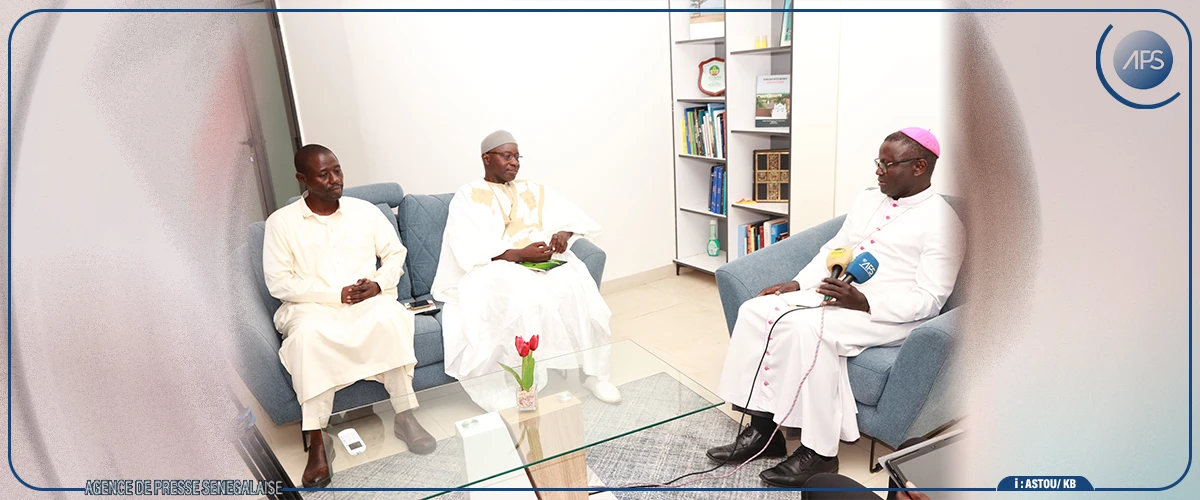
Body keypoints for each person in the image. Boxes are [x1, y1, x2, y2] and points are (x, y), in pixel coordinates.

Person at [707, 128, 965, 487]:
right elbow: (837, 246)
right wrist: (798, 283)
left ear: (919, 166)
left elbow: (930, 299)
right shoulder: (868, 199)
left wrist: (864, 301)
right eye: (878, 162)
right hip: (839, 294)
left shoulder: (944, 223)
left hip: (890, 315)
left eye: (887, 164)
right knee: (756, 310)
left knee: (807, 330)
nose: (878, 171)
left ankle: (820, 454)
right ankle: (764, 431)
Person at [263, 144, 436, 488]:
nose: (334, 180)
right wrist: (334, 294)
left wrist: (378, 284)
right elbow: (279, 283)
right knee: (307, 340)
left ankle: (405, 414)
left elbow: (394, 254)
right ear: (302, 179)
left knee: (389, 318)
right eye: (323, 174)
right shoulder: (281, 223)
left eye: (337, 171)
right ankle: (317, 440)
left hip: (365, 300)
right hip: (310, 307)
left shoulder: (365, 211)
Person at [432, 130, 621, 412]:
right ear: (486, 158)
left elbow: (570, 217)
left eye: (517, 156)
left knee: (575, 283)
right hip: (495, 267)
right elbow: (467, 246)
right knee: (521, 294)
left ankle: (593, 374)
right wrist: (519, 254)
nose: (514, 162)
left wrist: (562, 235)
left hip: (540, 262)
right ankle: (521, 384)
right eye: (507, 156)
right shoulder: (468, 195)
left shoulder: (532, 188)